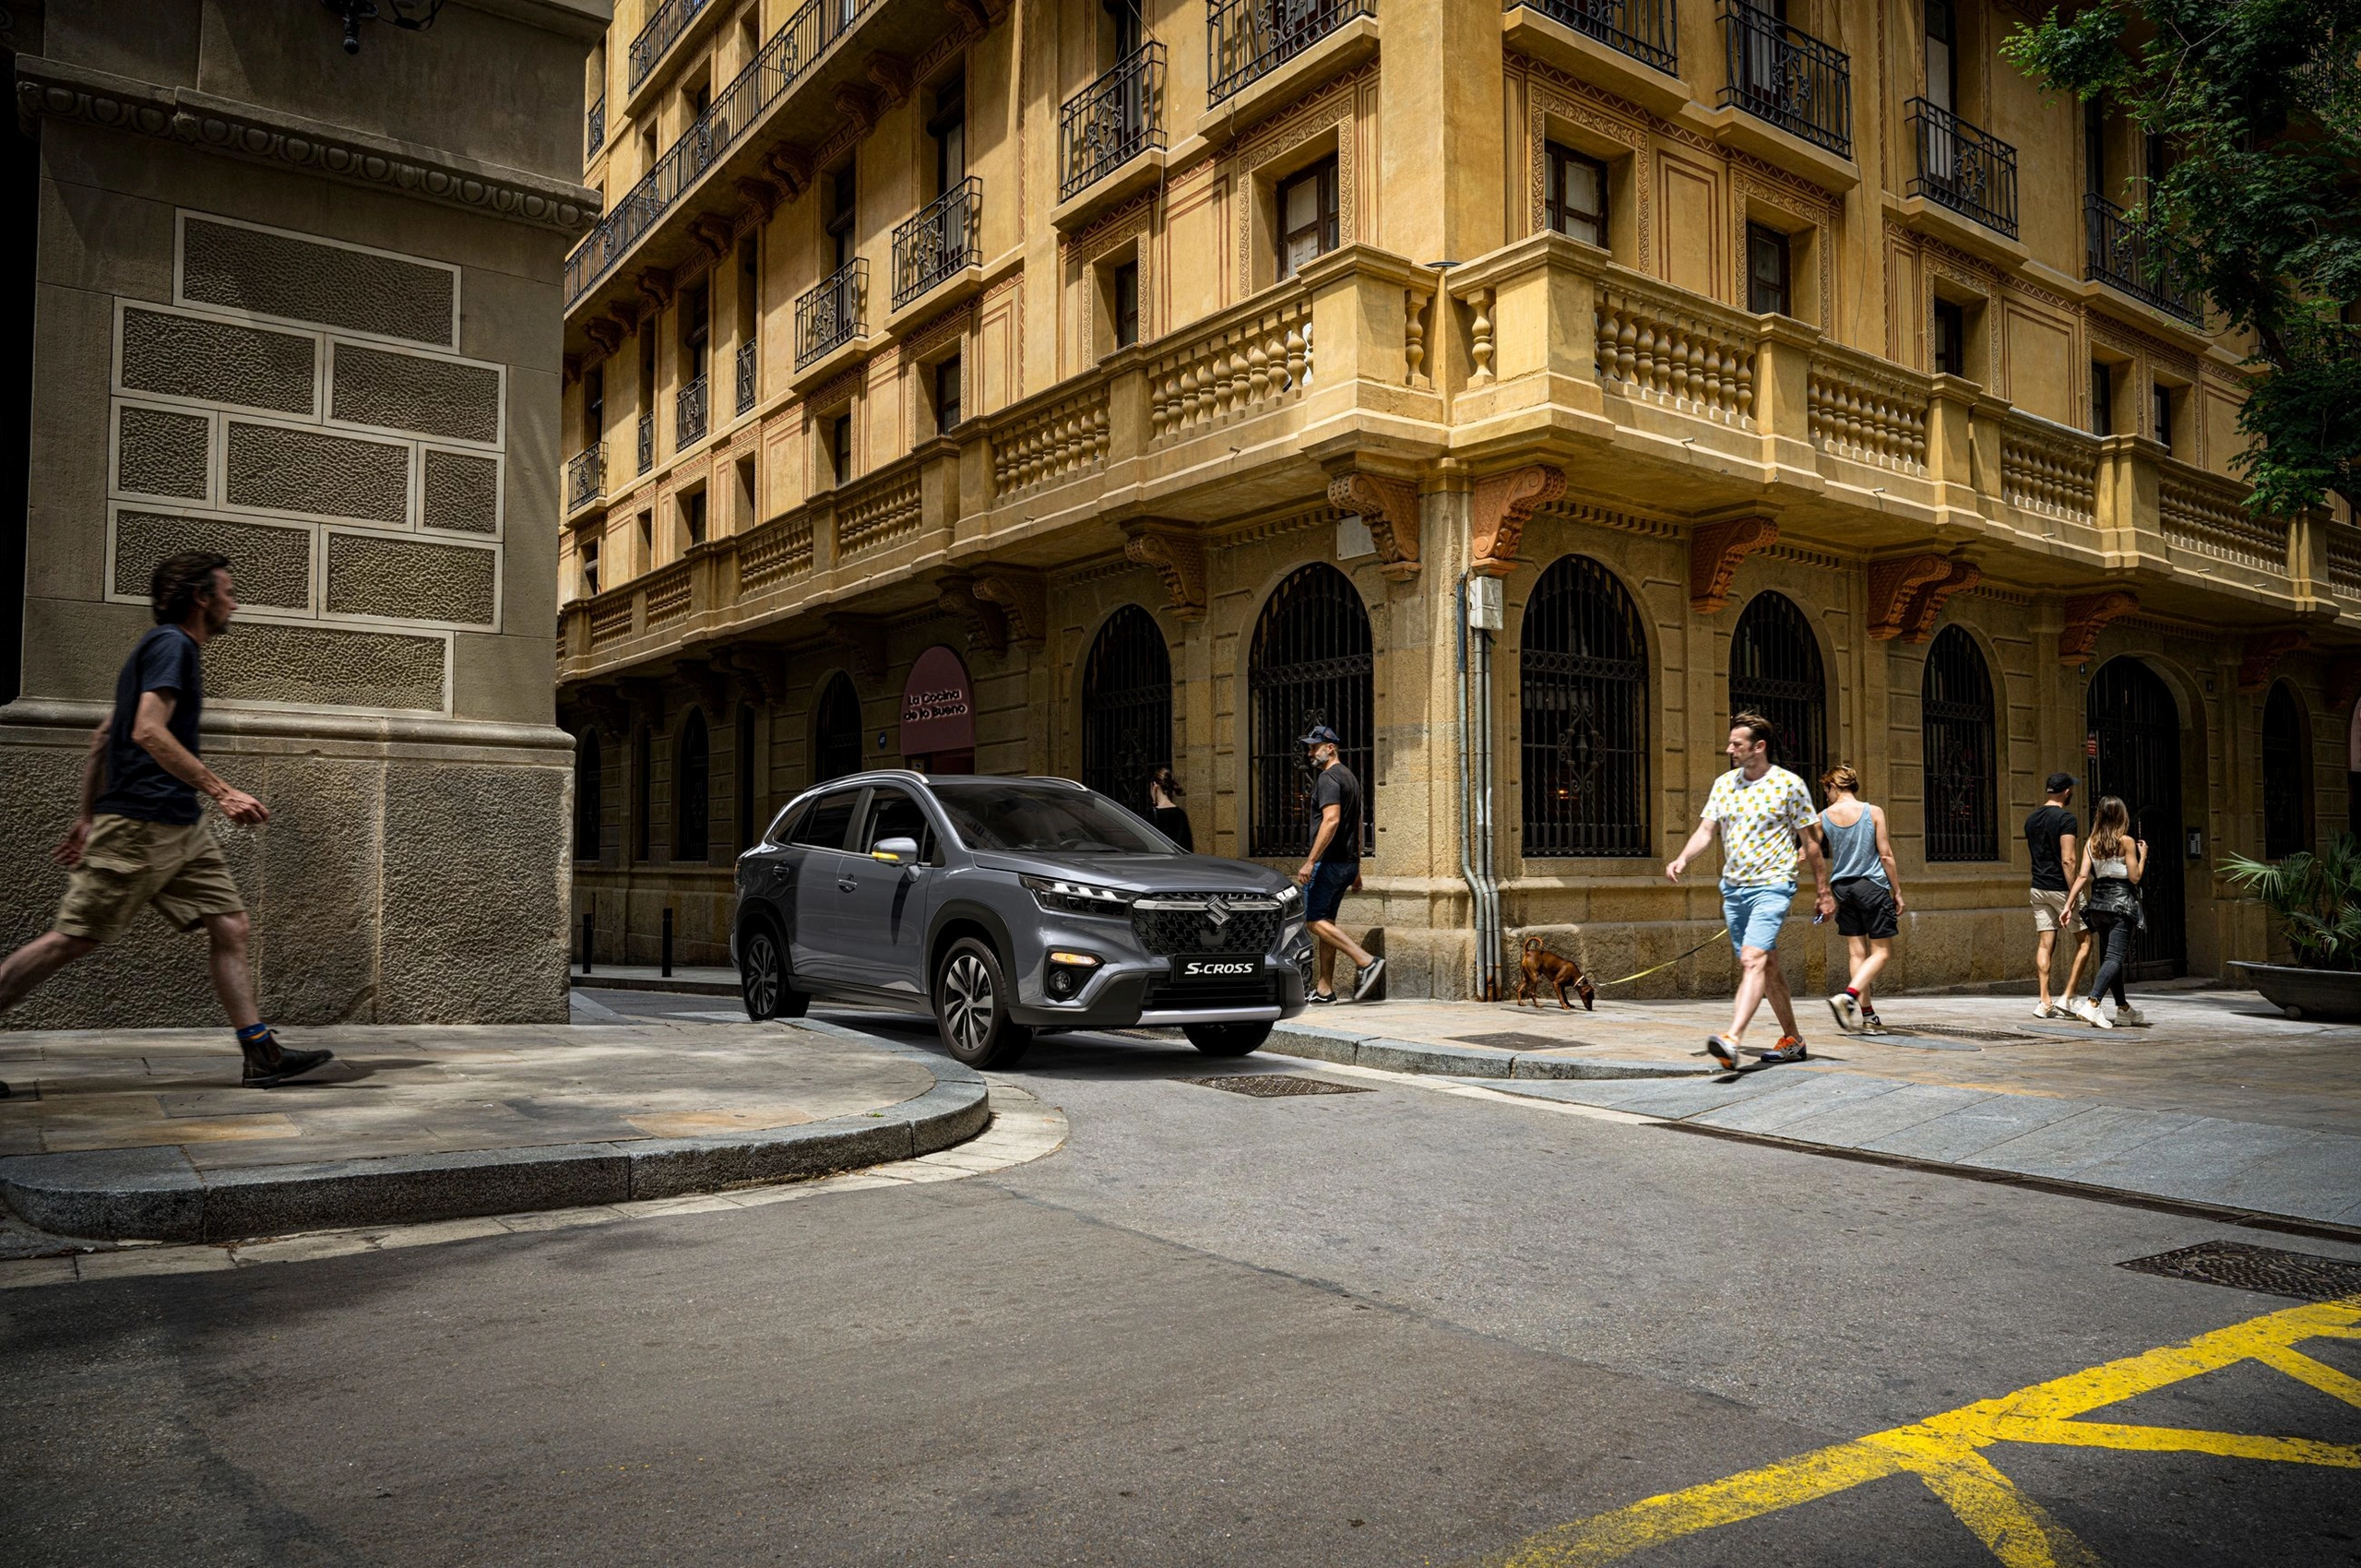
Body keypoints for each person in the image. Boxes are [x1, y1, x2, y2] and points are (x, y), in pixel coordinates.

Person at [0, 552, 333, 1096]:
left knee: (230, 926)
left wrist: (86, 817)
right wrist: (222, 791)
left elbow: (104, 735)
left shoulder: (159, 651)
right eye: (227, 591)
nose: (234, 601)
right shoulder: (173, 646)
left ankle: (261, 1053)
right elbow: (147, 732)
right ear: (201, 598)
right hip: (142, 824)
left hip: (178, 825)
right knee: (72, 939)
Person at [1667, 712, 1835, 1067]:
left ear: (1759, 747)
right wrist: (1682, 858)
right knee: (1768, 966)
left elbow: (1813, 843)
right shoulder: (1725, 784)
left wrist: (1823, 892)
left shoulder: (1790, 785)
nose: (1729, 749)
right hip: (1734, 890)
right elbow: (1705, 831)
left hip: (1773, 885)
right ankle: (1794, 1040)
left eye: (1736, 744)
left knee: (1752, 959)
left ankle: (1732, 1038)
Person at [1293, 725, 1383, 1004]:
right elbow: (1356, 823)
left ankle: (1365, 960)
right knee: (1327, 922)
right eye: (1308, 747)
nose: (1310, 753)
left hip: (1330, 863)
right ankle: (1324, 989)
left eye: (1314, 747)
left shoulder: (1328, 778)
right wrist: (1356, 868)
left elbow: (1331, 821)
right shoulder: (1350, 778)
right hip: (1346, 864)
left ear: (1330, 747)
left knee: (1313, 921)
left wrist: (1310, 862)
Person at [1818, 766, 1904, 1035]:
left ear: (1834, 786)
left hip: (1842, 889)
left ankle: (1868, 1017)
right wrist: (1897, 891)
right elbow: (1886, 855)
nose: (1826, 796)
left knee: (1857, 953)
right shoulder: (1873, 812)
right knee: (1882, 952)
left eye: (1826, 790)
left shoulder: (1823, 816)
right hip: (1872, 886)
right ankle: (1849, 997)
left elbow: (1806, 851)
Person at [2060, 795, 2148, 1029]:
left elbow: (2082, 876)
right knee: (2114, 958)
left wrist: (2068, 906)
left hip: (2098, 907)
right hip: (2121, 907)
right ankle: (2093, 1002)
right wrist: (2144, 856)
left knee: (2112, 958)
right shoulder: (2126, 841)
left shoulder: (2091, 842)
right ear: (2121, 816)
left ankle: (2124, 1009)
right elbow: (2135, 878)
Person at [2025, 773, 2092, 1018]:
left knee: (2045, 943)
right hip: (2061, 888)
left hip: (2038, 888)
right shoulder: (2066, 819)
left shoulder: (2031, 819)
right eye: (2071, 790)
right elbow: (2068, 859)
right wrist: (2073, 894)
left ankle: (2044, 1001)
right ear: (2066, 792)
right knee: (2085, 941)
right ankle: (2068, 996)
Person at [1146, 765, 1193, 851]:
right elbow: (1187, 847)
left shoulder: (1150, 815)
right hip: (1176, 863)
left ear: (1154, 785)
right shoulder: (1181, 814)